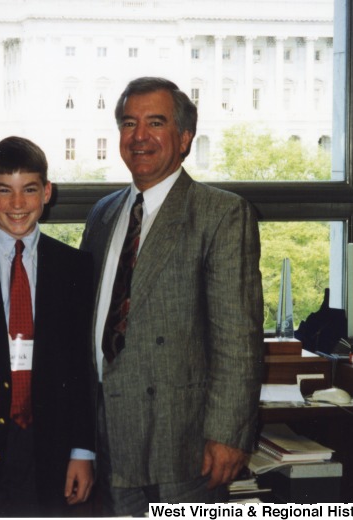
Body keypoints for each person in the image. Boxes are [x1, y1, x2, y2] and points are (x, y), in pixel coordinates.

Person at [80, 77, 264, 513]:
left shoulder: (220, 213)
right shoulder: (103, 213)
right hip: (106, 436)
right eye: (129, 123)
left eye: (155, 123)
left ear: (184, 139)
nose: (139, 136)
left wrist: (228, 434)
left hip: (182, 445)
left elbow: (238, 337)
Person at [0, 136, 95, 516]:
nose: (18, 204)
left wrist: (82, 451)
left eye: (29, 190)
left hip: (50, 446)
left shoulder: (75, 267)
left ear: (47, 192)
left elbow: (80, 367)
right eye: (4, 191)